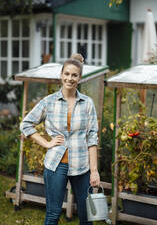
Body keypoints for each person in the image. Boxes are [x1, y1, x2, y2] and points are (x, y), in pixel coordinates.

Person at [20, 53, 100, 225]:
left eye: (74, 75)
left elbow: (92, 137)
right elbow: (26, 124)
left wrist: (94, 170)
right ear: (61, 75)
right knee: (53, 214)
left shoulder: (87, 103)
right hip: (56, 165)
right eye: (67, 74)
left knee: (87, 217)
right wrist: (46, 143)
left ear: (79, 78)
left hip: (82, 167)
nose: (70, 78)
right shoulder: (49, 102)